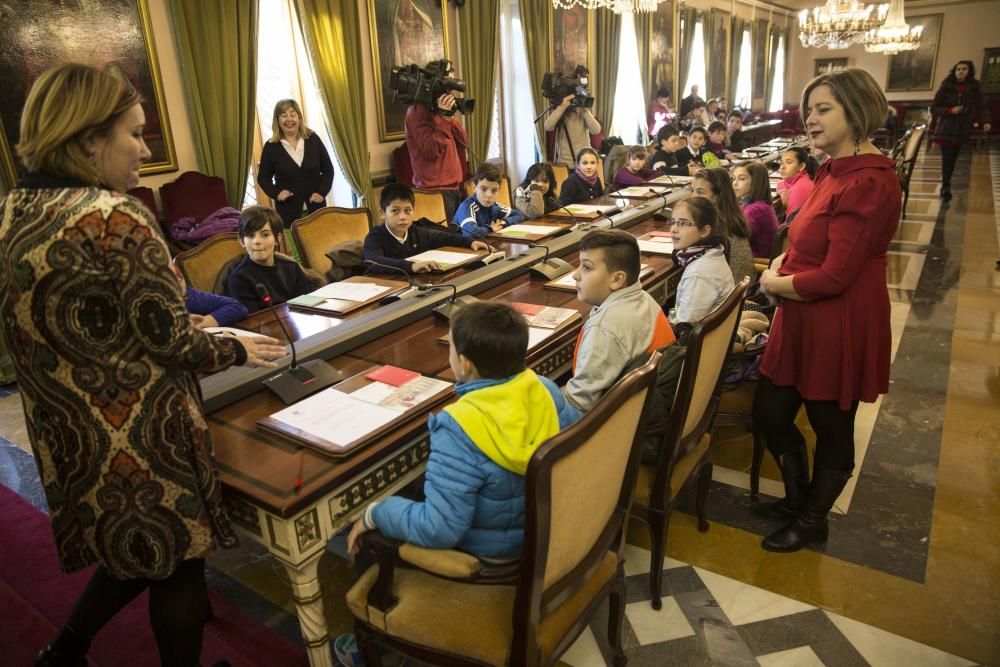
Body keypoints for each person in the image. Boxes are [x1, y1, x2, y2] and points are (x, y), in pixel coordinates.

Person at [0, 63, 286, 667]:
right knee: (178, 562)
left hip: (68, 431)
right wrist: (237, 345)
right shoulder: (113, 216)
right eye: (133, 133)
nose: (145, 148)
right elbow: (171, 343)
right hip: (138, 429)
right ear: (88, 139)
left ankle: (66, 649)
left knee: (137, 549)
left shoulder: (15, 211)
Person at [754, 69, 902, 553]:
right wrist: (782, 258)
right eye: (809, 109)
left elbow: (837, 276)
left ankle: (814, 518)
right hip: (802, 310)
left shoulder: (868, 182)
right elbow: (809, 237)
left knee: (829, 423)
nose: (810, 119)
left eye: (824, 109)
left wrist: (776, 281)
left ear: (856, 111)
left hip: (837, 318)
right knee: (772, 412)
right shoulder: (832, 167)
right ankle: (800, 497)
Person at [346, 302, 578, 558]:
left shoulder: (458, 427)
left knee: (375, 543)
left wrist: (376, 513)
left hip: (494, 557)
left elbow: (439, 530)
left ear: (464, 364)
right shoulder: (543, 389)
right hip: (547, 527)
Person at [561, 230, 674, 419]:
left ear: (617, 279)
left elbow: (579, 402)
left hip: (621, 426)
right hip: (653, 409)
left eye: (587, 267)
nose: (576, 275)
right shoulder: (644, 298)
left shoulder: (605, 328)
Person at [364, 183, 488, 274]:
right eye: (395, 211)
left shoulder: (415, 231)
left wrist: (470, 242)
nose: (403, 217)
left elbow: (444, 237)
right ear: (382, 213)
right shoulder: (375, 236)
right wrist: (412, 266)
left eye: (408, 211)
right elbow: (373, 261)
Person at [404, 60, 470, 220]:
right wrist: (443, 120)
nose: (451, 92)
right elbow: (431, 150)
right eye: (448, 86)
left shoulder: (440, 111)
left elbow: (463, 141)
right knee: (447, 244)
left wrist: (449, 117)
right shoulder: (416, 112)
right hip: (434, 193)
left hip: (454, 188)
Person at [256, 99, 334, 229]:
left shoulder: (313, 139)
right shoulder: (271, 147)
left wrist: (322, 192)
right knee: (297, 250)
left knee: (320, 249)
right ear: (277, 120)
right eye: (283, 115)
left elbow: (328, 170)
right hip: (288, 214)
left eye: (292, 114)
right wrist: (277, 193)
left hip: (317, 210)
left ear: (299, 117)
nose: (289, 119)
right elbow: (263, 178)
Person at [667, 197, 735, 338]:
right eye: (673, 222)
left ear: (705, 231)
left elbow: (685, 328)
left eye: (683, 224)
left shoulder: (699, 274)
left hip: (699, 350)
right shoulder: (712, 251)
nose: (673, 229)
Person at [228, 205, 316, 311]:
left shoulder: (291, 267)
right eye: (251, 236)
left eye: (265, 235)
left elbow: (306, 305)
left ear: (277, 239)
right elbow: (252, 320)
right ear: (242, 241)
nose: (257, 241)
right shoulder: (239, 278)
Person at [931, 60, 992, 202]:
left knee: (953, 159)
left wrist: (986, 121)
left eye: (964, 69)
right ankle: (945, 188)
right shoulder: (946, 86)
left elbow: (982, 106)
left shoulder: (974, 88)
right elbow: (934, 108)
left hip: (962, 128)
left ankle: (947, 183)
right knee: (947, 160)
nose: (961, 71)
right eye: (958, 69)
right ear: (955, 71)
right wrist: (950, 110)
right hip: (946, 128)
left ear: (969, 71)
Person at [691, 168, 755, 284]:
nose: (693, 197)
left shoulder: (715, 227)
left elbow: (681, 255)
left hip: (729, 298)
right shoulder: (731, 217)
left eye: (700, 192)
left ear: (717, 196)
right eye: (693, 190)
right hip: (742, 294)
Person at [454, 162, 524, 238]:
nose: (489, 195)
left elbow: (519, 215)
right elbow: (471, 233)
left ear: (499, 190)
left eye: (494, 190)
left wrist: (503, 223)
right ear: (474, 187)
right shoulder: (467, 207)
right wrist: (491, 228)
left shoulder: (494, 207)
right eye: (484, 189)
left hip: (483, 245)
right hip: (459, 248)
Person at [732, 162, 780, 258]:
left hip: (756, 263)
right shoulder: (758, 204)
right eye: (733, 178)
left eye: (741, 179)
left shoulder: (757, 210)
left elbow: (737, 240)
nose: (734, 183)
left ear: (755, 182)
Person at [543, 95, 602, 168]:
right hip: (566, 163)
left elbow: (596, 130)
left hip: (584, 161)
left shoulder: (582, 111)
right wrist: (562, 107)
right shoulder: (560, 111)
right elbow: (548, 127)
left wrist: (584, 109)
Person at [776, 146, 817, 223]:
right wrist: (782, 190)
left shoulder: (800, 189)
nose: (782, 167)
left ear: (801, 166)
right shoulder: (803, 178)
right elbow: (783, 182)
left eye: (789, 162)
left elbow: (791, 224)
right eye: (781, 162)